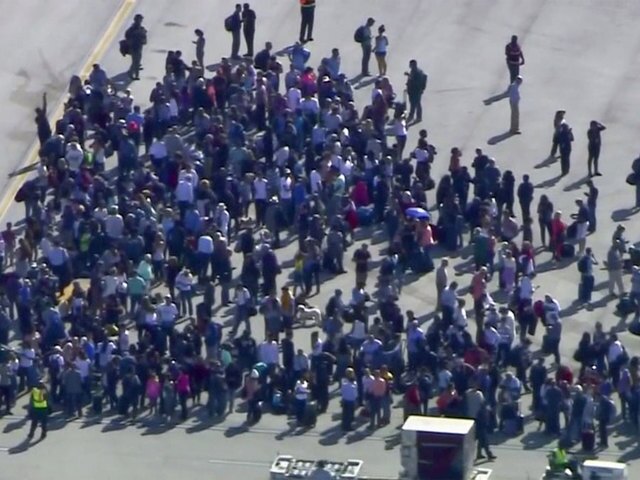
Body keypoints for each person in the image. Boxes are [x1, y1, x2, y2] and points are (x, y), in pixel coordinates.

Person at [124, 14, 147, 81]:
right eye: (139, 20)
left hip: (139, 47)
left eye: (141, 20)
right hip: (134, 47)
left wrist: (144, 40)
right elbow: (127, 35)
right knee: (135, 61)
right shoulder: (132, 29)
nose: (140, 21)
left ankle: (134, 73)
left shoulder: (141, 28)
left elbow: (144, 36)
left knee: (137, 61)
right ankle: (134, 74)